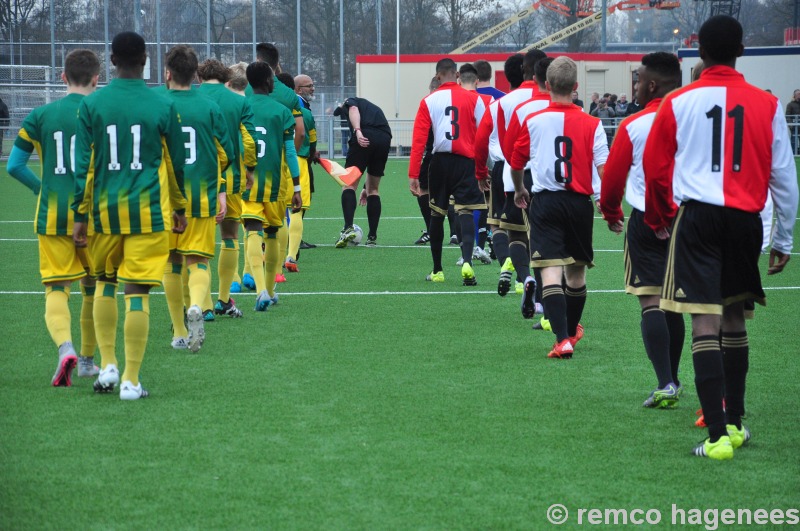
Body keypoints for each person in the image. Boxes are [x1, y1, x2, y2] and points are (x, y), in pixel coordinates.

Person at [643, 15, 798, 459]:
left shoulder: (678, 101)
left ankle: (714, 438)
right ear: (741, 51)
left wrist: (659, 216)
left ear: (700, 52)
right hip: (745, 220)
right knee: (733, 319)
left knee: (703, 322)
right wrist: (783, 239)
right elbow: (784, 180)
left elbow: (656, 169)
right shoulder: (766, 104)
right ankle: (734, 424)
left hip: (697, 218)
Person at [72, 31, 187, 400]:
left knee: (105, 282)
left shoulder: (93, 104)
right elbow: (176, 162)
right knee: (136, 292)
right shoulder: (163, 104)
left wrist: (79, 214)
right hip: (149, 214)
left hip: (105, 214)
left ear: (112, 60)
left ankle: (108, 364)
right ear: (146, 60)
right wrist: (180, 207)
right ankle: (131, 381)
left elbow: (83, 165)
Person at [7, 49, 102, 386]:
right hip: (93, 216)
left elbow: (14, 166)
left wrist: (40, 188)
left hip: (52, 216)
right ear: (96, 78)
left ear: (62, 77)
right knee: (93, 288)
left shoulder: (40, 115)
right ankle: (90, 361)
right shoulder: (102, 113)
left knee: (56, 289)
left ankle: (65, 349)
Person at [599, 52, 685, 408]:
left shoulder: (634, 124)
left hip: (649, 220)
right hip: (692, 221)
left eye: (637, 80)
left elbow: (614, 177)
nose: (634, 87)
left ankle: (666, 382)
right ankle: (678, 380)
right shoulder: (692, 114)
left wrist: (610, 211)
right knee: (680, 305)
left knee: (651, 301)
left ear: (651, 84)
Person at [510, 56, 609, 360]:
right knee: (576, 273)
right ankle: (570, 333)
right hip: (579, 204)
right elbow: (605, 167)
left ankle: (562, 338)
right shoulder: (593, 123)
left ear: (548, 85)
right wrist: (605, 201)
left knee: (550, 271)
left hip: (547, 202)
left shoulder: (534, 120)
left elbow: (517, 162)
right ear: (576, 87)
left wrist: (519, 188)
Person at [161, 46, 234, 353]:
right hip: (201, 196)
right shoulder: (208, 107)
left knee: (171, 263)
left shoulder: (156, 104)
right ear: (194, 75)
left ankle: (179, 331)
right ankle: (195, 305)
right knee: (198, 261)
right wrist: (220, 191)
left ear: (167, 73)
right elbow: (225, 154)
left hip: (164, 200)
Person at [409, 57, 487, 285]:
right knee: (465, 212)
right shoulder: (475, 99)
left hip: (440, 163)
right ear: (458, 75)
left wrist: (413, 174)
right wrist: (482, 170)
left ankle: (437, 270)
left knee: (436, 214)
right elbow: (484, 137)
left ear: (437, 76)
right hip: (466, 163)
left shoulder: (428, 101)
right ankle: (467, 263)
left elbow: (419, 141)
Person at [195, 59, 256, 320]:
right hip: (230, 176)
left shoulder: (189, 98)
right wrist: (250, 170)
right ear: (226, 78)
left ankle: (203, 304)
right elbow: (249, 141)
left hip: (194, 179)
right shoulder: (239, 102)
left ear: (199, 78)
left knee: (197, 244)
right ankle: (223, 299)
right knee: (230, 236)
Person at [242, 61, 302, 311]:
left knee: (252, 232)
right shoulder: (282, 112)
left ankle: (260, 291)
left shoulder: (241, 107)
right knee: (273, 234)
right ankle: (270, 289)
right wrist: (297, 187)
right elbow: (290, 152)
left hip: (248, 181)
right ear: (269, 82)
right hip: (275, 185)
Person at [474, 54, 525, 293]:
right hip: (533, 169)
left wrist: (480, 171)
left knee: (497, 224)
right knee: (527, 229)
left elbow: (481, 140)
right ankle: (524, 279)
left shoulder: (497, 105)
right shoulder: (539, 100)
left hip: (503, 168)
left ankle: (506, 262)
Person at [332, 96, 392, 247]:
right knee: (373, 190)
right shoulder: (372, 108)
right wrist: (365, 187)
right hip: (384, 138)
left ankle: (347, 229)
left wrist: (358, 131)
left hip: (365, 135)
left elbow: (352, 109)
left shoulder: (350, 101)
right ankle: (372, 237)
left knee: (348, 185)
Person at [283, 73, 318, 271]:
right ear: (295, 90)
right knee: (297, 210)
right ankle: (291, 256)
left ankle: (268, 251)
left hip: (277, 163)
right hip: (299, 163)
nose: (312, 88)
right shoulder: (305, 114)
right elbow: (310, 138)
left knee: (276, 211)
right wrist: (311, 153)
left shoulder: (274, 109)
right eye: (309, 85)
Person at [458, 63, 493, 265]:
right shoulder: (493, 98)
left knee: (463, 207)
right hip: (486, 157)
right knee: (486, 203)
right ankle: (484, 244)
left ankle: (468, 249)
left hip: (461, 159)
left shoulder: (457, 100)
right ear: (477, 80)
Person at [786, 89, 800, 155]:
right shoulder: (790, 105)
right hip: (794, 127)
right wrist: (791, 126)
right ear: (794, 96)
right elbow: (787, 116)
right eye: (798, 94)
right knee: (794, 142)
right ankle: (794, 155)